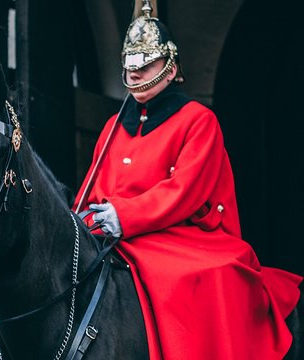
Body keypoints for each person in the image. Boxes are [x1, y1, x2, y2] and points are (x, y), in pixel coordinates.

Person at [73, 1, 302, 359]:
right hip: (113, 233)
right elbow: (95, 185)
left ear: (171, 68)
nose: (134, 74)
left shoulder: (198, 120)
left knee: (211, 272)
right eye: (130, 66)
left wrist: (125, 216)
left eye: (145, 64)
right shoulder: (113, 125)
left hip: (177, 232)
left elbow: (184, 191)